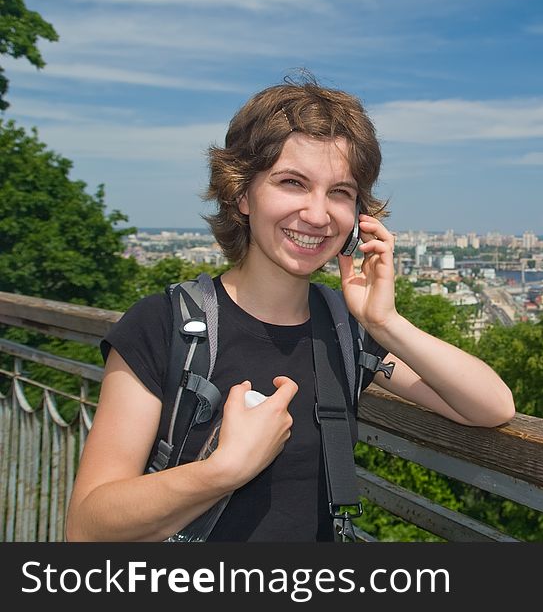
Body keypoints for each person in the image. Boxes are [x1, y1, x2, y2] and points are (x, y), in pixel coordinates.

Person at [65, 74, 516, 542]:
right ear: (241, 194)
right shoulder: (166, 325)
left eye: (340, 192)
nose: (318, 215)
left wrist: (384, 320)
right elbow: (87, 528)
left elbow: (491, 406)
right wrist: (223, 470)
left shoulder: (344, 331)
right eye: (292, 183)